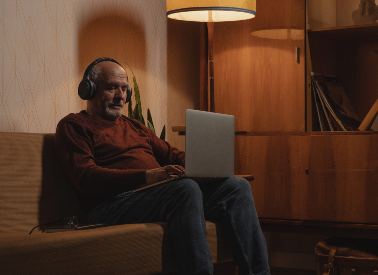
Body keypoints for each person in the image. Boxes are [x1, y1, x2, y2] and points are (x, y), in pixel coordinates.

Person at [55, 57, 270, 275]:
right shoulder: (73, 126)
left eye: (124, 89)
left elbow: (173, 154)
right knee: (185, 189)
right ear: (88, 90)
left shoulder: (134, 126)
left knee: (237, 187)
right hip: (109, 205)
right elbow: (86, 177)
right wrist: (148, 176)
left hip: (153, 197)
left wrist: (202, 167)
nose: (120, 96)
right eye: (111, 88)